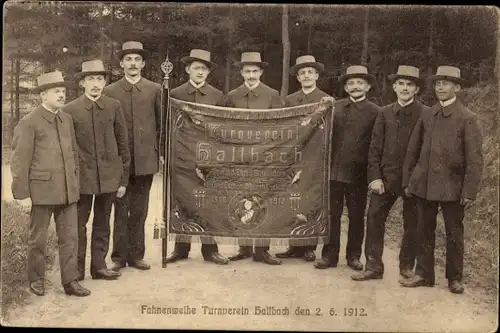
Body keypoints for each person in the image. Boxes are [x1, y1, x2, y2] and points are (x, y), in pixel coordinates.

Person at [400, 66, 483, 294]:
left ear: (457, 87)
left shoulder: (468, 118)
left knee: (453, 232)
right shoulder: (428, 114)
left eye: (445, 83)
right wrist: (409, 181)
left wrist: (469, 190)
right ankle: (424, 274)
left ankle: (454, 278)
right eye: (437, 83)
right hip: (424, 184)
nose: (440, 87)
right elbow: (413, 150)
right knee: (423, 229)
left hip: (453, 187)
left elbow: (475, 159)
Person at [11, 71, 90, 297]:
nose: (62, 95)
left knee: (70, 238)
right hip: (41, 192)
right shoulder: (29, 123)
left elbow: (73, 153)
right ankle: (36, 279)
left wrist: (74, 184)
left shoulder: (65, 119)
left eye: (64, 92)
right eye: (56, 91)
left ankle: (70, 281)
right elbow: (19, 161)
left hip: (67, 191)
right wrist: (22, 194)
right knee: (38, 238)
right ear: (43, 95)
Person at [351, 65, 429, 281]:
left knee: (412, 222)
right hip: (384, 179)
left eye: (409, 85)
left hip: (412, 181)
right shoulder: (384, 113)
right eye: (401, 84)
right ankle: (373, 266)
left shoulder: (426, 114)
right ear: (394, 87)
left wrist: (417, 180)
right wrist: (375, 177)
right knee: (374, 217)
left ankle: (406, 266)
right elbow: (374, 148)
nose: (404, 88)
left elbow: (427, 151)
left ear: (416, 90)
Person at [63, 59, 130, 281]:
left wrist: (122, 180)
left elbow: (123, 144)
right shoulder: (69, 110)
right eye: (90, 79)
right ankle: (77, 270)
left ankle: (99, 267)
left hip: (109, 178)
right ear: (82, 83)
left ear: (104, 82)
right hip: (82, 179)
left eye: (100, 79)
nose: (95, 84)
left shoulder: (113, 106)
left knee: (103, 222)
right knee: (79, 224)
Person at [165, 48, 229, 265]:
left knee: (208, 202)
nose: (200, 72)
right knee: (182, 200)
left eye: (204, 68)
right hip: (182, 156)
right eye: (196, 68)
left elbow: (223, 128)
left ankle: (210, 250)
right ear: (187, 69)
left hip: (209, 156)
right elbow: (167, 126)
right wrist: (167, 153)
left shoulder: (218, 96)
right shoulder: (175, 94)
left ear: (208, 72)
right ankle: (181, 248)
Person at [314, 65, 380, 271]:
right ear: (345, 87)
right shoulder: (335, 107)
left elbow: (376, 145)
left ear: (367, 86)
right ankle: (329, 255)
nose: (355, 87)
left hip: (359, 174)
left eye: (360, 83)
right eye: (351, 83)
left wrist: (372, 174)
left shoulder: (376, 112)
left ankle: (353, 256)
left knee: (356, 215)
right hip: (334, 172)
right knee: (332, 215)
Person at [104, 41, 162, 272]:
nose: (133, 63)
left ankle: (137, 255)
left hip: (145, 161)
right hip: (120, 163)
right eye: (128, 59)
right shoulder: (111, 91)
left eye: (137, 59)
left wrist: (160, 153)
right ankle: (119, 257)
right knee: (120, 209)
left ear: (143, 64)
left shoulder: (154, 89)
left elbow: (161, 124)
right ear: (121, 64)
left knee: (140, 210)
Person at [225, 51, 283, 265]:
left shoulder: (272, 94)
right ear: (241, 72)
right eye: (247, 71)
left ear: (261, 72)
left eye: (255, 71)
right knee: (241, 198)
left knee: (262, 199)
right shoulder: (231, 96)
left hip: (264, 157)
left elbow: (279, 126)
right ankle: (243, 246)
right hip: (239, 157)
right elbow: (225, 126)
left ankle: (262, 249)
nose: (251, 75)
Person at [275, 55, 333, 262]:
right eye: (302, 73)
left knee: (311, 197)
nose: (306, 76)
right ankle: (293, 244)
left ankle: (308, 245)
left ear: (317, 75)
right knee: (292, 197)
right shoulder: (290, 100)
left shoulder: (327, 99)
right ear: (298, 78)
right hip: (295, 155)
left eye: (310, 72)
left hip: (315, 156)